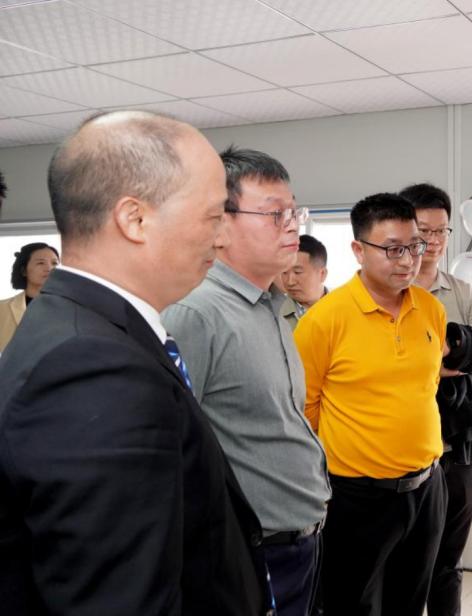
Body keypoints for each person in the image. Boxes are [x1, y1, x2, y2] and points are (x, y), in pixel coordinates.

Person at [0, 110, 270, 615]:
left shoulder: (90, 327)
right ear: (135, 219)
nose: (221, 238)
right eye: (213, 217)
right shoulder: (92, 367)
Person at [163, 147, 330, 616]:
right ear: (219, 225)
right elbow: (170, 451)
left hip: (301, 540)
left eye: (294, 212)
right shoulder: (195, 314)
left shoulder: (269, 306)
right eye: (275, 214)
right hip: (250, 551)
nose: (292, 226)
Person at [293, 193, 447, 616]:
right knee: (349, 604)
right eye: (393, 249)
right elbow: (304, 412)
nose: (408, 260)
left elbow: (426, 387)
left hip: (427, 488)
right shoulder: (324, 320)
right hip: (355, 497)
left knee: (410, 602)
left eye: (414, 246)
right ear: (358, 250)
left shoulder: (431, 309)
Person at [400, 182, 472, 616]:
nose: (433, 241)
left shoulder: (461, 291)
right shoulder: (386, 290)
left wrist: (456, 347)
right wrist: (437, 359)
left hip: (460, 437)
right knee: (404, 556)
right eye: (423, 231)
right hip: (403, 438)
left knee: (449, 558)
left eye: (441, 231)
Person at [0, 242, 59, 352]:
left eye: (54, 263)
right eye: (40, 263)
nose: (49, 268)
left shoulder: (72, 308)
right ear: (24, 271)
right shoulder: (2, 309)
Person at [280, 233, 329, 329]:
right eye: (284, 272)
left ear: (322, 274)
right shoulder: (273, 312)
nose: (290, 282)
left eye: (297, 272)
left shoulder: (344, 309)